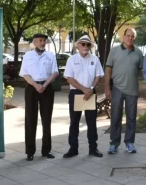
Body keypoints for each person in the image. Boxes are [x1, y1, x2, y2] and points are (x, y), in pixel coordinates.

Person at [63, 35, 104, 158]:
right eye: (83, 44)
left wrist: (90, 89)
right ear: (78, 45)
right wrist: (84, 89)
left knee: (91, 122)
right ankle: (73, 148)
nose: (85, 47)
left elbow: (98, 76)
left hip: (91, 93)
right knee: (74, 122)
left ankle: (93, 148)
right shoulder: (71, 60)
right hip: (76, 93)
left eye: (88, 45)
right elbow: (69, 78)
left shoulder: (95, 59)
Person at [19, 33, 58, 161]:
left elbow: (55, 72)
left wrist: (45, 85)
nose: (43, 43)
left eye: (44, 41)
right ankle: (30, 151)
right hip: (31, 88)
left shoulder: (50, 56)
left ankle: (46, 150)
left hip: (47, 88)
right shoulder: (28, 56)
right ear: (34, 42)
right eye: (40, 40)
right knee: (31, 119)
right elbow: (25, 74)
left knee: (46, 119)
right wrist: (36, 85)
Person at [105, 28, 144, 154]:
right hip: (117, 88)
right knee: (115, 116)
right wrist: (107, 88)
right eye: (128, 36)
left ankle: (129, 143)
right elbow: (108, 70)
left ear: (135, 38)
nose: (130, 38)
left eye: (133, 36)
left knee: (131, 117)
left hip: (132, 90)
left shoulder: (138, 52)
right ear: (123, 36)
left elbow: (140, 71)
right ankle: (114, 144)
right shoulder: (114, 50)